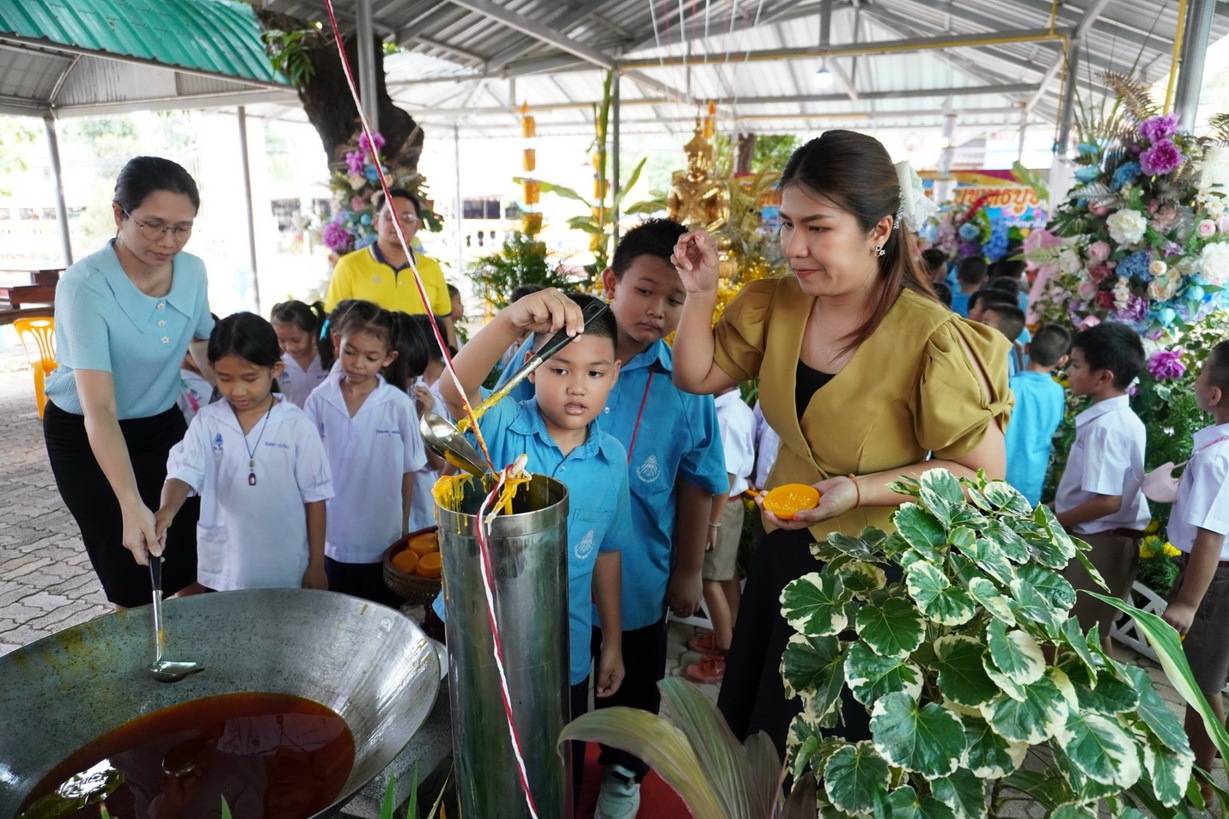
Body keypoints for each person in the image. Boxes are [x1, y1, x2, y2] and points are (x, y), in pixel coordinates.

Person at [670, 130, 1011, 754]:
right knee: (763, 740)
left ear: (878, 230)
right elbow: (697, 375)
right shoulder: (776, 304)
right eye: (786, 223)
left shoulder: (932, 338)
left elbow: (981, 478)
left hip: (873, 581)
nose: (794, 247)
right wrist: (699, 293)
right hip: (783, 552)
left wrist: (858, 490)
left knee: (831, 752)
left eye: (817, 228)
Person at [439, 289, 631, 808]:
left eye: (594, 372)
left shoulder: (612, 458)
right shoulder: (502, 425)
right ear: (530, 366)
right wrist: (510, 321)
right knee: (485, 764)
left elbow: (608, 553)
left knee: (556, 767)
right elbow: (453, 392)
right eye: (559, 368)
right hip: (483, 641)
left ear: (615, 375)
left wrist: (612, 640)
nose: (577, 386)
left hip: (564, 649)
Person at [588, 218, 728, 818]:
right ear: (610, 283)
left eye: (675, 299)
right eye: (644, 290)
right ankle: (549, 765)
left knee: (635, 690)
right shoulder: (558, 356)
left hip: (640, 578)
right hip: (559, 573)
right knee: (558, 682)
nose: (657, 310)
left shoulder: (686, 383)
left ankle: (624, 775)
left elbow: (698, 482)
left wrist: (688, 571)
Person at [43, 156, 215, 609]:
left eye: (182, 228)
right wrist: (129, 500)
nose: (168, 241)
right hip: (89, 436)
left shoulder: (193, 271)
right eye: (154, 225)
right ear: (119, 214)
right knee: (134, 567)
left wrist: (237, 395)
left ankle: (199, 642)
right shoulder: (84, 286)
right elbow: (99, 408)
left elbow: (202, 341)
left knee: (193, 551)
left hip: (161, 425)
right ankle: (142, 646)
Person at [156, 313, 333, 591]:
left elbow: (316, 497)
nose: (238, 390)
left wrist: (316, 566)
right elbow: (182, 472)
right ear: (212, 368)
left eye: (250, 378)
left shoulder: (296, 425)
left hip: (285, 563)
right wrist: (167, 510)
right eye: (225, 378)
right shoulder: (208, 421)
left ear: (275, 369)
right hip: (226, 566)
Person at [304, 306, 426, 606]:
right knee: (336, 616)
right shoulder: (320, 400)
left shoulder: (398, 405)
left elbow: (408, 471)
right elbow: (308, 474)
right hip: (333, 540)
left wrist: (404, 530)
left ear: (388, 358)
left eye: (371, 358)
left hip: (384, 541)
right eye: (350, 352)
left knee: (382, 616)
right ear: (336, 343)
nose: (358, 364)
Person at [1054, 321, 1150, 654]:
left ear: (1103, 377)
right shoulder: (1121, 419)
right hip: (1106, 539)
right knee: (1094, 632)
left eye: (1076, 365)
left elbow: (1108, 501)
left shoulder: (1106, 427)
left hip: (1100, 542)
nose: (1068, 371)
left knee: (1071, 637)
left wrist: (1054, 520)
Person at [1160, 340, 1229, 801]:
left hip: (1213, 580)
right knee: (1207, 679)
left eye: (1201, 372)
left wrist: (1187, 602)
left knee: (1200, 684)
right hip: (1215, 575)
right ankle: (1208, 766)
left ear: (1214, 394)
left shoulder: (1217, 458)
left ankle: (1199, 785)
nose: (1196, 378)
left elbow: (1211, 536)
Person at [323, 188, 457, 350]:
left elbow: (445, 320)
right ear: (375, 222)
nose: (398, 223)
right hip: (367, 361)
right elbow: (333, 321)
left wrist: (452, 358)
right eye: (389, 216)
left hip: (421, 361)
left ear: (417, 225)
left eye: (407, 218)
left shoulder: (431, 268)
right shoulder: (348, 265)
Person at [685, 382, 755, 685]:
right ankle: (730, 637)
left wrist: (711, 523)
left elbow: (724, 476)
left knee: (709, 579)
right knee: (726, 575)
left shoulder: (728, 416)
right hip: (729, 505)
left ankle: (725, 656)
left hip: (719, 508)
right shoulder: (733, 408)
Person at [1004, 324, 1071, 505]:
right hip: (1030, 483)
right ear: (1062, 360)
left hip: (996, 478)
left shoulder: (1009, 385)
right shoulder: (1057, 392)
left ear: (1027, 347)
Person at [270, 300, 329, 408]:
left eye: (296, 340)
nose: (289, 347)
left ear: (313, 331)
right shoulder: (277, 367)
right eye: (282, 340)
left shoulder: (328, 361)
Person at [980, 303, 1027, 377]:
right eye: (980, 321)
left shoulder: (998, 366)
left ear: (1002, 336)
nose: (979, 325)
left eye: (985, 323)